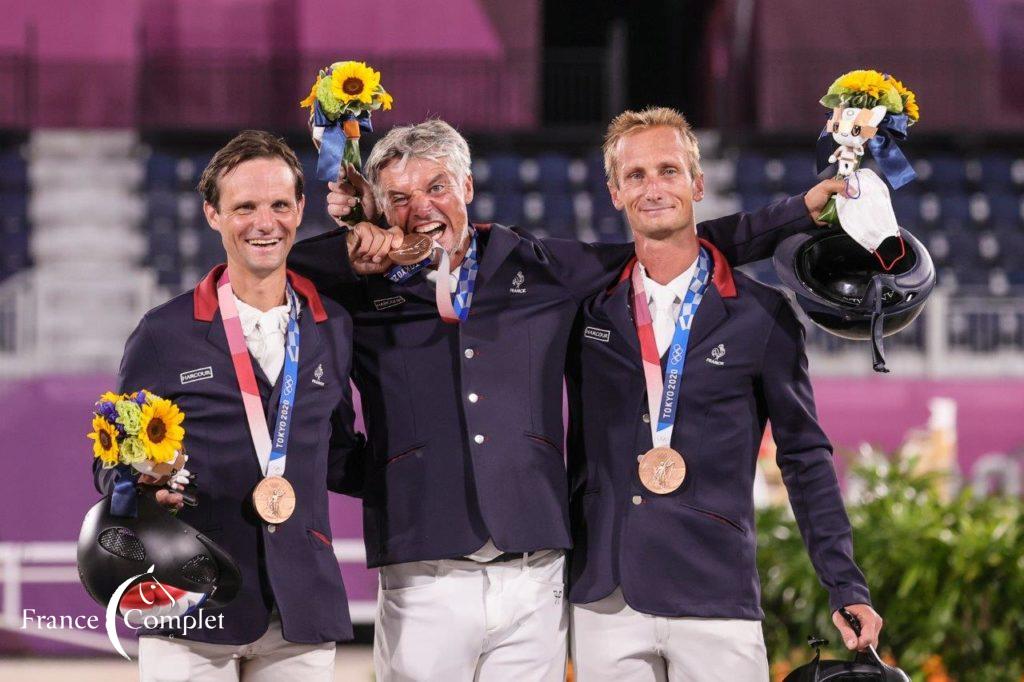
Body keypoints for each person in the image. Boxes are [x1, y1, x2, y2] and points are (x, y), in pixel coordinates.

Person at [288, 118, 843, 682]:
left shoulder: (534, 266)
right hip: (420, 568)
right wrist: (349, 250)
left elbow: (668, 243)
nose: (421, 209)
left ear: (467, 189)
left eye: (436, 188)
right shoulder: (360, 286)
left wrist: (797, 212)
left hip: (535, 573)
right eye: (399, 198)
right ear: (380, 207)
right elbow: (268, 266)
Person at [564, 107, 883, 681]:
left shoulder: (761, 316)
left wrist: (844, 583)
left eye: (668, 170)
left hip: (714, 591)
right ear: (614, 193)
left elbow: (805, 458)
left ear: (698, 183)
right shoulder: (586, 310)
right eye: (635, 176)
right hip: (605, 595)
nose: (653, 187)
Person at [92, 130, 386, 682]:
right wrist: (143, 481)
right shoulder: (164, 333)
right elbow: (109, 464)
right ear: (212, 215)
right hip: (189, 600)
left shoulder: (330, 326)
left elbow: (338, 452)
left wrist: (420, 470)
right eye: (244, 207)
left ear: (300, 208)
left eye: (279, 204)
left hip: (300, 605)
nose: (264, 222)